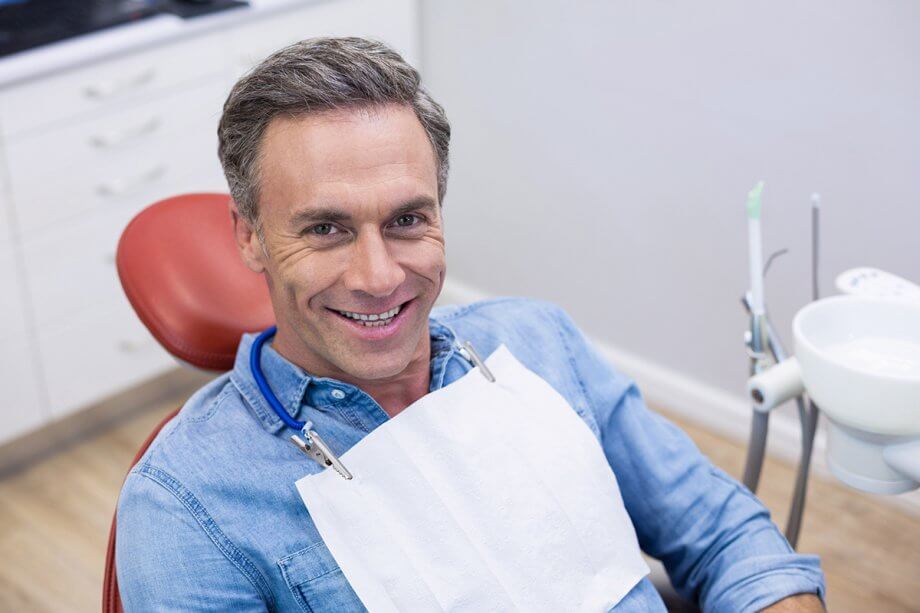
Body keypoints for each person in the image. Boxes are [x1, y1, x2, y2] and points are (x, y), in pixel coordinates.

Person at [116, 37, 826, 612]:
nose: (379, 275)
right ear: (249, 238)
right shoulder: (187, 506)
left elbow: (726, 533)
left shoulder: (540, 343)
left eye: (407, 220)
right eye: (326, 228)